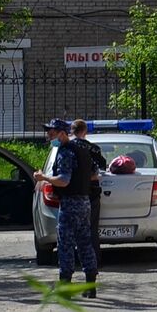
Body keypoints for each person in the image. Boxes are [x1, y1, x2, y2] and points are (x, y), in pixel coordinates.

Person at [34, 119, 99, 297]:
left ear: (62, 133)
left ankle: (65, 287)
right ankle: (90, 286)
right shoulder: (83, 149)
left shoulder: (65, 152)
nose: (49, 135)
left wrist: (44, 177)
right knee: (85, 242)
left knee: (66, 245)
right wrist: (81, 181)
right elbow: (95, 174)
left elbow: (63, 180)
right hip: (85, 202)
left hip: (70, 204)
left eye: (52, 132)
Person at [67, 119, 108, 262]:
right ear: (85, 131)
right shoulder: (93, 148)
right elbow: (103, 166)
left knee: (69, 231)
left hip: (69, 194)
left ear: (71, 131)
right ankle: (93, 262)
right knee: (91, 229)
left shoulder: (65, 148)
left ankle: (69, 262)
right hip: (91, 193)